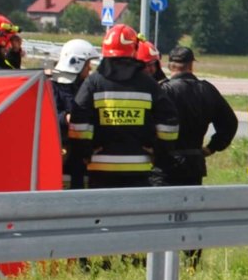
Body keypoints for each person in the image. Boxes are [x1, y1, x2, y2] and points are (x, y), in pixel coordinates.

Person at [68, 24, 177, 188]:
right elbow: (169, 122)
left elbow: (79, 122)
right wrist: (158, 151)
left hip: (100, 168)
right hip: (139, 168)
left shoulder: (93, 82)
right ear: (134, 49)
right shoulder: (148, 84)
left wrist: (85, 152)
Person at [152, 46, 237, 187]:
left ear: (168, 65)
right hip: (194, 165)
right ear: (191, 65)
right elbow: (230, 123)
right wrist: (211, 147)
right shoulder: (206, 89)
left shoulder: (163, 90)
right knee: (189, 208)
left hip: (164, 167)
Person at [50, 39, 100, 189]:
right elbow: (47, 116)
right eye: (87, 64)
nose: (89, 68)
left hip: (82, 155)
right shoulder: (52, 86)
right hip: (60, 152)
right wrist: (65, 118)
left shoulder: (86, 87)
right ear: (76, 63)